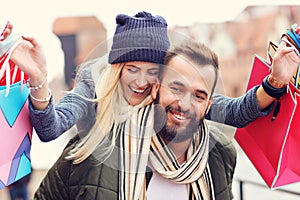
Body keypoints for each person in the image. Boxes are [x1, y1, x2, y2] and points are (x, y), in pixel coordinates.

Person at [2, 11, 299, 199]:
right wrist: (38, 78)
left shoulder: (174, 99)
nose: (141, 82)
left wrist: (275, 80)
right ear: (117, 67)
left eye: (153, 71)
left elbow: (235, 110)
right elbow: (51, 127)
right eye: (131, 68)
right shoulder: (94, 89)